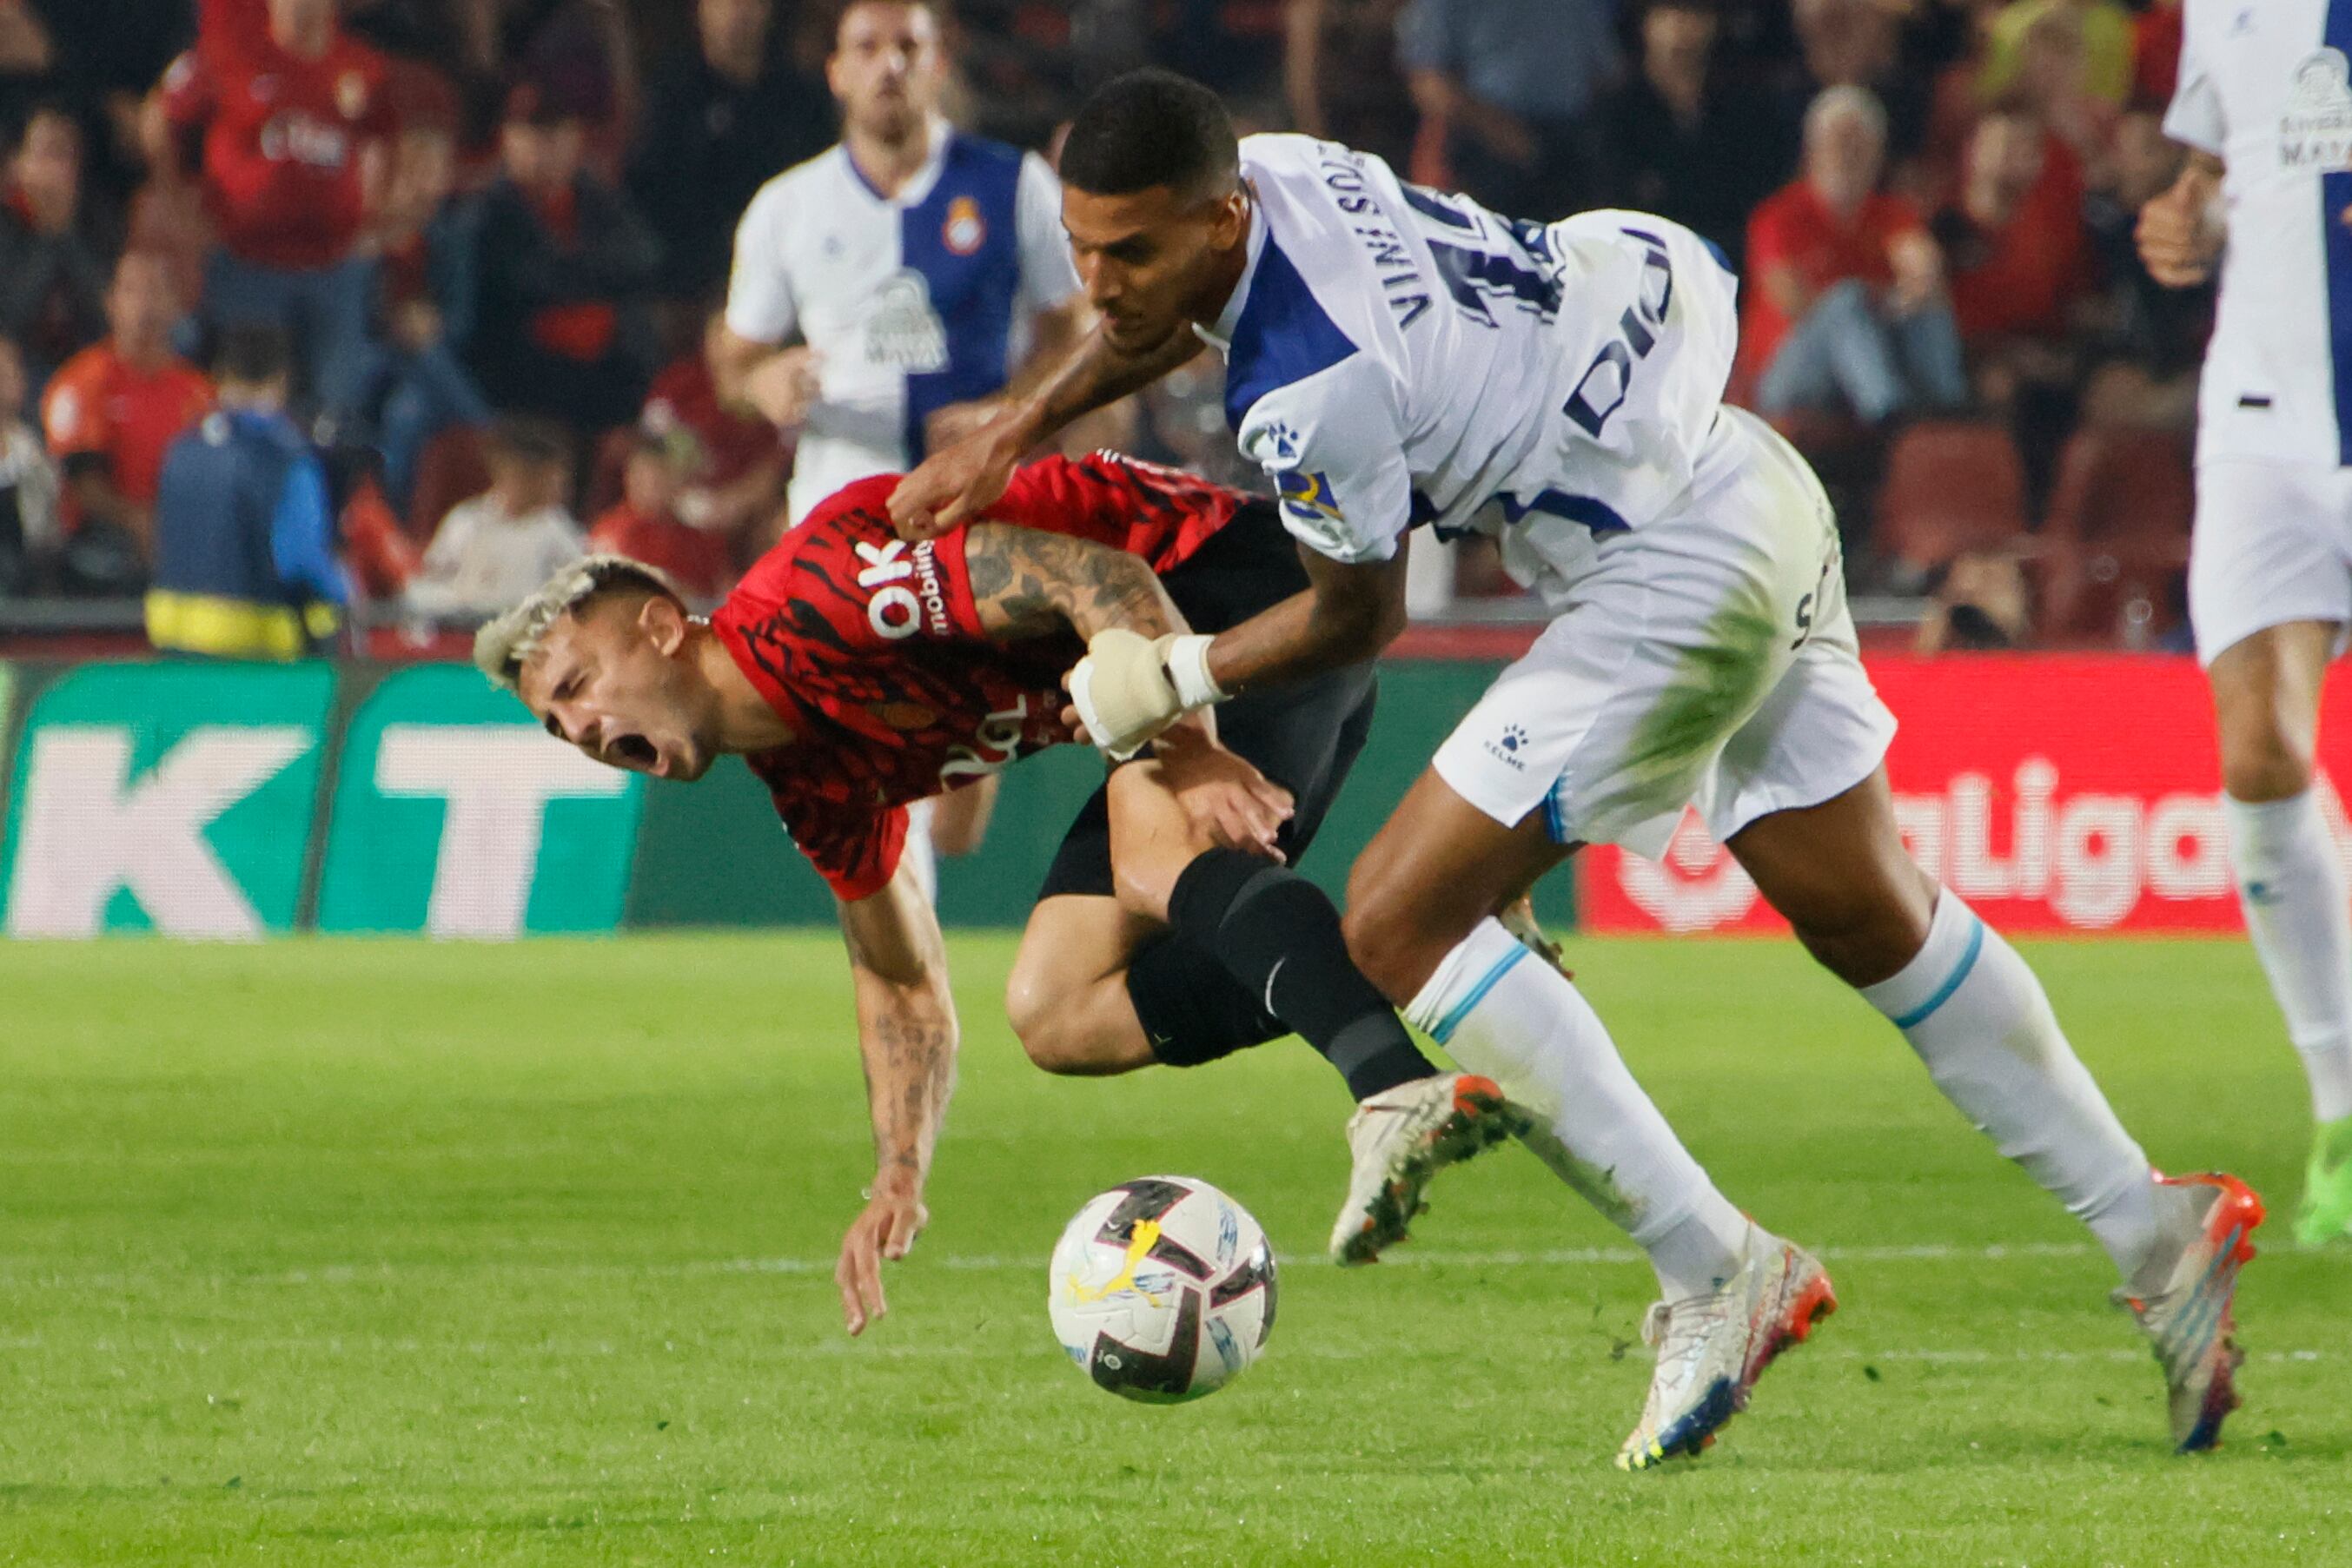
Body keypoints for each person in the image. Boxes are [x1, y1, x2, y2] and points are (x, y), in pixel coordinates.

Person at [891, 68, 2263, 1465]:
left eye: (1129, 249)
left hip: (1657, 577)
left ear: (1219, 219)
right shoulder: (1282, 173)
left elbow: (1362, 617)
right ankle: (2150, 1225)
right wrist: (1014, 424)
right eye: (1081, 247)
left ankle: (1714, 1270)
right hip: (1733, 480)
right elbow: (1161, 314)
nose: (1099, 283)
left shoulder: (1312, 391)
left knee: (1396, 916)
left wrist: (1176, 674)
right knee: (1865, 910)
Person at [474, 451, 1527, 1333]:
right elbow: (897, 976)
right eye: (559, 726)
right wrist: (896, 1172)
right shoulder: (808, 781)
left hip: (1235, 585)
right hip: (1195, 646)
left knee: (1153, 854)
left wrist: (1189, 743)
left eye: (576, 684)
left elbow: (1092, 574)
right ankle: (1417, 931)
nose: (583, 730)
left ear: (661, 624)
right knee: (1057, 1009)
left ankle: (1390, 1086)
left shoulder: (819, 603)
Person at [711, 0, 1093, 881]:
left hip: (968, 497)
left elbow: (1072, 327)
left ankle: (919, 867)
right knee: (864, 733)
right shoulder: (789, 206)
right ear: (836, 71)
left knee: (955, 797)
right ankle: (892, 915)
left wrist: (1011, 406)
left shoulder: (1010, 184)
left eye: (907, 47)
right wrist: (758, 382)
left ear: (938, 62)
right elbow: (735, 358)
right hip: (837, 495)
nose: (889, 65)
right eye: (868, 48)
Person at [2136, 0, 2352, 1248]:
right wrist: (2188, 220)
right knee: (2257, 755)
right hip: (2261, 421)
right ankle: (2339, 1116)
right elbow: (2216, 174)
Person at [156, 0, 399, 419]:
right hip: (248, 265)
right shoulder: (229, 54)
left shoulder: (363, 66)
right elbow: (163, 117)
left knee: (335, 410)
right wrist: (176, 202)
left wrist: (375, 217)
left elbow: (387, 140)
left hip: (333, 268)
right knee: (246, 405)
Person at [1744, 86, 1969, 424]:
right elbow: (1792, 301)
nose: (1847, 154)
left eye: (1859, 144)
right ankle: (1889, 415)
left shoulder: (1893, 215)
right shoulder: (1778, 217)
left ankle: (1950, 407)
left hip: (1874, 354)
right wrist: (1874, 299)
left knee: (1928, 307)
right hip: (1790, 372)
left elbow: (1924, 276)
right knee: (1847, 301)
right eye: (1838, 142)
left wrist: (1897, 296)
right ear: (1812, 151)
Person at [468, 83, 662, 437]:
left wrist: (570, 276)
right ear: (506, 140)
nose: (547, 148)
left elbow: (644, 257)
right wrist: (591, 280)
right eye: (533, 135)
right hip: (525, 371)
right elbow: (522, 281)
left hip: (607, 368)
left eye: (558, 133)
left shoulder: (596, 196)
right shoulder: (487, 209)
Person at [147, 324, 345, 658]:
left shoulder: (182, 449)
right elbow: (299, 558)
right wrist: (344, 594)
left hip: (174, 647)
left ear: (220, 375)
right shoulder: (283, 458)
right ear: (282, 378)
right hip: (252, 657)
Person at [628, 0, 834, 306]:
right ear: (699, 10)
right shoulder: (671, 96)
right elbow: (655, 199)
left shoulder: (803, 100)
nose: (738, 13)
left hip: (790, 275)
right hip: (695, 283)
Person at [41, 250, 215, 586]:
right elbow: (81, 482)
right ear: (111, 302)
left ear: (178, 306)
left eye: (156, 290)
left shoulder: (200, 392)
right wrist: (138, 521)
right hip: (99, 540)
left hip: (179, 534)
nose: (145, 304)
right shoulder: (81, 381)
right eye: (132, 290)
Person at [405, 415, 583, 621]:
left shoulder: (559, 534)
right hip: (460, 631)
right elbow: (432, 579)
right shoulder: (466, 522)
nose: (561, 485)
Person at [0, 104, 108, 388]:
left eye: (65, 156)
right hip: (17, 369)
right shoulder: (6, 225)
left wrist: (67, 235)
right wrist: (49, 236)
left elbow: (106, 315)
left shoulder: (99, 221)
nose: (56, 170)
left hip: (88, 367)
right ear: (18, 165)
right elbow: (11, 317)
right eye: (45, 154)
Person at [586, 427, 734, 605]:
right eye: (645, 477)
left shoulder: (698, 537)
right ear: (629, 477)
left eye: (661, 477)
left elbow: (724, 588)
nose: (652, 486)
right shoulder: (613, 532)